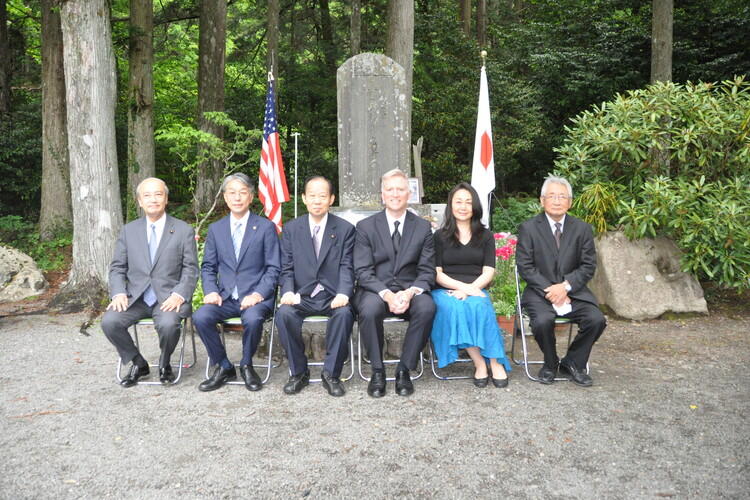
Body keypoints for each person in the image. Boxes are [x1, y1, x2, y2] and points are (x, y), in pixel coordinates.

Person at [102, 177, 199, 387]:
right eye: (147, 195)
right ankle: (138, 363)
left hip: (168, 298)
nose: (153, 199)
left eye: (158, 194)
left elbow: (191, 269)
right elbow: (118, 267)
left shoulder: (183, 230)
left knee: (168, 324)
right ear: (139, 201)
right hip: (135, 298)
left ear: (165, 199)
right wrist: (118, 292)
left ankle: (165, 363)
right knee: (109, 322)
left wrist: (179, 294)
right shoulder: (129, 230)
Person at [192, 173, 280, 392]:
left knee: (252, 318)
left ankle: (247, 364)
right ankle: (223, 366)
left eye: (242, 192)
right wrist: (211, 291)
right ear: (225, 196)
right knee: (201, 316)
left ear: (251, 197)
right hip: (226, 296)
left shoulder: (265, 227)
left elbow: (273, 268)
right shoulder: (216, 229)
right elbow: (209, 267)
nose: (237, 197)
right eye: (232, 192)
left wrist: (259, 294)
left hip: (257, 297)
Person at [516, 175, 607, 386]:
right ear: (542, 200)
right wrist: (553, 290)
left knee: (596, 320)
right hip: (540, 291)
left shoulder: (582, 228)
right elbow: (525, 267)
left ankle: (573, 362)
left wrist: (565, 287)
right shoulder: (528, 228)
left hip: (574, 291)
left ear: (570, 202)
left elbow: (588, 266)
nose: (557, 201)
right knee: (542, 321)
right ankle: (550, 363)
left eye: (562, 196)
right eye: (552, 196)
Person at [353, 168, 436, 398]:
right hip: (376, 289)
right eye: (390, 189)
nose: (395, 194)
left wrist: (409, 293)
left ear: (408, 194)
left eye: (400, 189)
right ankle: (377, 371)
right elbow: (362, 271)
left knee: (427, 307)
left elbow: (427, 271)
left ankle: (403, 370)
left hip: (411, 288)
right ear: (382, 194)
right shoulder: (365, 227)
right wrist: (388, 295)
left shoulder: (422, 227)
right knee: (368, 309)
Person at [276, 176, 356, 397]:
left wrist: (343, 292)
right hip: (302, 295)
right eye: (312, 195)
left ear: (331, 199)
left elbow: (347, 266)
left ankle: (331, 374)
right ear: (303, 198)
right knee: (284, 314)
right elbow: (287, 266)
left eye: (322, 196)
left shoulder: (345, 229)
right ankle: (298, 373)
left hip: (333, 295)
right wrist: (289, 291)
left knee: (344, 314)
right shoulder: (291, 229)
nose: (317, 201)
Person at [431, 183, 511, 388]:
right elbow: (437, 274)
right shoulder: (439, 236)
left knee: (479, 306)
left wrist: (470, 290)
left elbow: (489, 271)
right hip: (446, 290)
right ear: (451, 205)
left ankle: (495, 362)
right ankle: (479, 364)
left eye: (468, 202)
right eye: (459, 201)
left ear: (475, 206)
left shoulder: (485, 236)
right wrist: (463, 289)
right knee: (456, 308)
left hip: (476, 287)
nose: (463, 206)